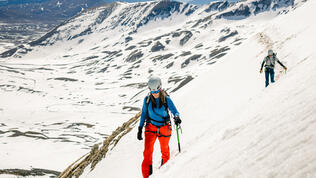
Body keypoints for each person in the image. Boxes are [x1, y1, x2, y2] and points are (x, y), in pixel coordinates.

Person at [137, 76, 181, 178]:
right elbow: (144, 113)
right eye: (153, 92)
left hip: (164, 127)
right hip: (151, 127)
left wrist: (177, 117)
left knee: (165, 151)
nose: (155, 93)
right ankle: (147, 176)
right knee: (147, 153)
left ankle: (164, 173)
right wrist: (140, 128)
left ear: (160, 88)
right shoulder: (147, 100)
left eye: (157, 90)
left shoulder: (166, 99)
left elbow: (174, 111)